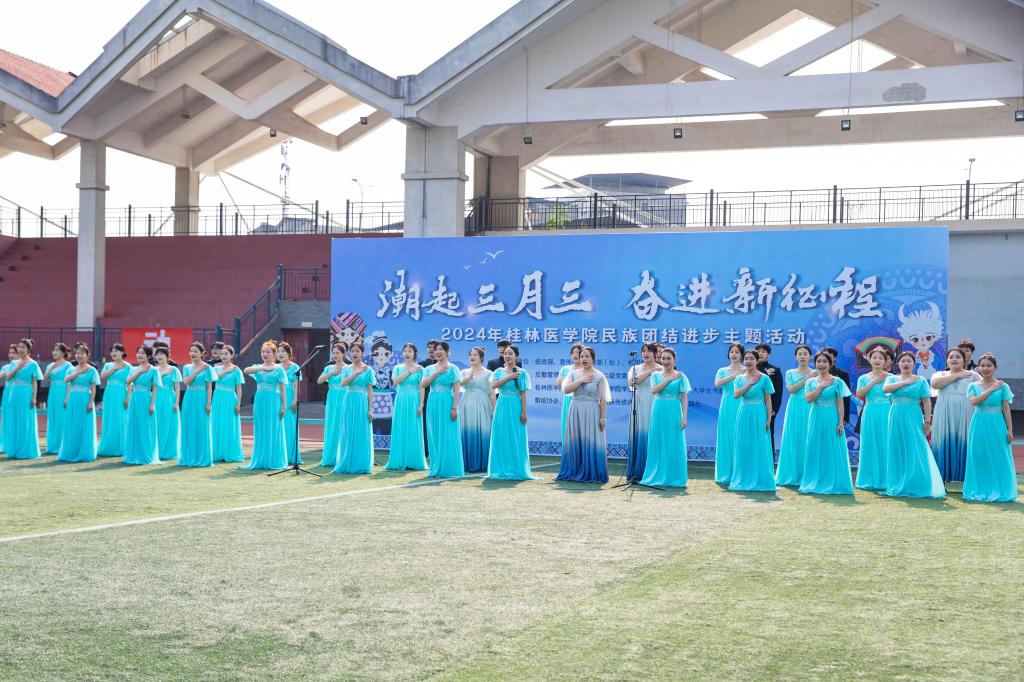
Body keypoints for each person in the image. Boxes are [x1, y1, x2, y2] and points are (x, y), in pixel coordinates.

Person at [882, 351, 945, 499]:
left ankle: (918, 483)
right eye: (903, 361)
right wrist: (905, 382)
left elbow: (926, 401)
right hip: (896, 415)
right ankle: (898, 483)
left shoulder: (920, 380)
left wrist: (928, 421)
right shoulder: (891, 378)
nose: (906, 363)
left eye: (909, 361)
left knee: (915, 447)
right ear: (898, 364)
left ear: (914, 364)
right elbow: (885, 389)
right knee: (897, 448)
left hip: (914, 416)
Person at [799, 351, 853, 495]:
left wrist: (841, 423)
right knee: (815, 447)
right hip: (816, 417)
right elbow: (809, 399)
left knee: (832, 448)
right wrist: (821, 386)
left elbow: (840, 403)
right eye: (818, 362)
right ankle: (814, 481)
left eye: (824, 362)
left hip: (832, 417)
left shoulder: (837, 381)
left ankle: (835, 481)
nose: (821, 364)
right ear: (815, 364)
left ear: (830, 364)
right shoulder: (810, 382)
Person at [964, 354, 1016, 503]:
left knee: (999, 456)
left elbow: (1006, 409)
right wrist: (991, 389)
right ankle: (980, 488)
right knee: (979, 456)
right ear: (979, 367)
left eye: (988, 365)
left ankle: (1001, 488)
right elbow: (974, 402)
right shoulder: (973, 386)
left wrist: (1010, 430)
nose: (985, 368)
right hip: (978, 423)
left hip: (997, 424)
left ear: (995, 367)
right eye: (982, 365)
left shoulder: (1003, 386)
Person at [556, 346, 610, 484]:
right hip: (575, 409)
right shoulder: (573, 374)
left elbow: (603, 399)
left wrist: (602, 417)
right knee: (575, 440)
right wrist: (581, 380)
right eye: (582, 356)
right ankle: (573, 471)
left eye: (587, 356)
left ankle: (591, 472)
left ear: (593, 359)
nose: (584, 359)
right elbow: (566, 390)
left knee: (591, 441)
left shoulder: (599, 376)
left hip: (592, 410)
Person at [640, 347, 690, 488]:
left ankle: (674, 476)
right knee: (658, 441)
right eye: (663, 358)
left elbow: (684, 398)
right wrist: (668, 379)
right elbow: (654, 390)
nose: (666, 361)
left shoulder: (681, 376)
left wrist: (684, 417)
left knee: (673, 442)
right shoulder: (656, 375)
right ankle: (657, 474)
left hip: (674, 410)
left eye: (669, 358)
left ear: (674, 360)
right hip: (659, 409)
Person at [729, 350, 777, 492]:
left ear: (756, 360)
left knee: (759, 443)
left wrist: (768, 418)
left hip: (759, 412)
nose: (748, 361)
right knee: (743, 444)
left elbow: (768, 399)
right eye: (746, 359)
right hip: (744, 412)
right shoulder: (739, 378)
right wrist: (749, 383)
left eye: (751, 359)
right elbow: (736, 395)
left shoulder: (764, 378)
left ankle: (761, 478)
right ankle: (743, 477)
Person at [930, 347, 980, 482]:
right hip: (944, 412)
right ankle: (943, 475)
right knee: (943, 439)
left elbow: (983, 388)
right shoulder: (940, 374)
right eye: (951, 357)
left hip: (966, 412)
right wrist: (957, 375)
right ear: (946, 360)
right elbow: (935, 385)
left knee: (966, 440)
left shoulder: (973, 376)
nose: (954, 359)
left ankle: (965, 476)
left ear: (964, 360)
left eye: (958, 357)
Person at [486, 345, 535, 480]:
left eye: (510, 354)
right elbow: (493, 385)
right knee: (501, 436)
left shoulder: (522, 373)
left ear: (516, 356)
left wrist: (523, 412)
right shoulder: (498, 371)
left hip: (515, 405)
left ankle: (516, 468)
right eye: (505, 353)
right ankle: (499, 468)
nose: (507, 356)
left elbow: (523, 394)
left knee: (515, 436)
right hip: (501, 404)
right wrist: (509, 377)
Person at [240, 341, 288, 471]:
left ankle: (273, 459)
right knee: (261, 428)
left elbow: (282, 389)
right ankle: (260, 459)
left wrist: (284, 406)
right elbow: (246, 370)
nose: (265, 354)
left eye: (268, 352)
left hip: (274, 400)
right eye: (263, 351)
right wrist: (261, 368)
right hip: (260, 400)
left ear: (274, 354)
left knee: (273, 428)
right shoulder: (258, 367)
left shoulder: (279, 369)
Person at [421, 341, 464, 478]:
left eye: (441, 349)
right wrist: (436, 373)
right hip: (433, 402)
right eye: (436, 349)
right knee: (434, 434)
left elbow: (456, 391)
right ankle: (436, 466)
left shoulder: (453, 369)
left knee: (448, 435)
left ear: (447, 352)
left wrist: (454, 408)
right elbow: (423, 384)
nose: (438, 352)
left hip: (447, 402)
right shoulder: (429, 369)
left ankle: (449, 468)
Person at [334, 341, 376, 474]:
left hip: (362, 401)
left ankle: (361, 463)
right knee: (347, 430)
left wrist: (370, 409)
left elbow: (370, 390)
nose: (354, 353)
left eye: (357, 351)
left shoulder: (368, 370)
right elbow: (344, 383)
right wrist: (356, 373)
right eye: (352, 351)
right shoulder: (346, 369)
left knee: (361, 431)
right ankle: (346, 461)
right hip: (349, 400)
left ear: (362, 353)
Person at [854, 346, 892, 491]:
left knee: (886, 443)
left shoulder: (891, 378)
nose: (877, 360)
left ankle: (887, 479)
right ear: (869, 360)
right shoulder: (863, 378)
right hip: (870, 412)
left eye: (880, 358)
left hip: (886, 412)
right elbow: (859, 394)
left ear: (886, 361)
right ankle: (870, 479)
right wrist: (874, 381)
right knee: (870, 444)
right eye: (874, 357)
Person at [775, 345, 814, 487]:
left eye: (805, 354)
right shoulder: (790, 372)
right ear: (795, 357)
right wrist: (807, 378)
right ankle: (791, 474)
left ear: (810, 356)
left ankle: (808, 474)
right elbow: (791, 389)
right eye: (800, 354)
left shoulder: (816, 373)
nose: (802, 356)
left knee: (809, 438)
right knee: (794, 437)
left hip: (811, 406)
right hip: (795, 407)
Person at [384, 343, 426, 471]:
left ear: (415, 354)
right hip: (401, 399)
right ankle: (399, 460)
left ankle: (414, 461)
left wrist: (421, 404)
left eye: (410, 351)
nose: (407, 353)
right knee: (400, 427)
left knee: (414, 428)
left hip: (414, 399)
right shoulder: (397, 367)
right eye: (405, 351)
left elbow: (422, 387)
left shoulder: (420, 369)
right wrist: (408, 372)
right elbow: (395, 381)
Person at [57, 344, 100, 463]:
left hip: (85, 398)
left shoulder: (92, 370)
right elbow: (66, 380)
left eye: (82, 353)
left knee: (84, 425)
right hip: (73, 399)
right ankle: (71, 451)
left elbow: (94, 388)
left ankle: (85, 452)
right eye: (77, 353)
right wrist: (79, 372)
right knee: (72, 425)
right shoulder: (71, 369)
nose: (79, 355)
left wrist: (91, 402)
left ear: (87, 356)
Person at [626, 342, 662, 481]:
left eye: (649, 351)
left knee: (653, 433)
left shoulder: (661, 369)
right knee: (639, 433)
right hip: (639, 402)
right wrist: (648, 372)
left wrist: (654, 371)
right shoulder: (636, 368)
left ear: (655, 353)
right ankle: (637, 470)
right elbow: (632, 383)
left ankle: (654, 470)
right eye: (643, 351)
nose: (645, 354)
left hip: (655, 402)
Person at [1, 338, 42, 460]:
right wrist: (17, 368)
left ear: (28, 349)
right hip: (14, 393)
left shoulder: (33, 364)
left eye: (23, 347)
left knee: (26, 421)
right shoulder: (13, 363)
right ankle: (14, 449)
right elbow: (8, 378)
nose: (20, 349)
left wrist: (34, 397)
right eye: (19, 347)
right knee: (15, 421)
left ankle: (27, 450)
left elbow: (34, 382)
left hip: (27, 393)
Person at [178, 342, 216, 468]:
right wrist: (197, 371)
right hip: (189, 398)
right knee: (189, 426)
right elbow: (186, 381)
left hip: (202, 398)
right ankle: (188, 456)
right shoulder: (187, 367)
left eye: (195, 351)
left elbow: (209, 387)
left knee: (201, 426)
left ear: (202, 353)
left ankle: (202, 457)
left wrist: (208, 403)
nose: (192, 353)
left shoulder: (208, 368)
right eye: (191, 351)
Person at [123, 346, 160, 466]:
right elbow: (128, 381)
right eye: (138, 353)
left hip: (146, 398)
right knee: (134, 425)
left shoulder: (154, 370)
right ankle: (133, 454)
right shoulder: (134, 369)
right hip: (135, 399)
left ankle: (146, 454)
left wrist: (152, 404)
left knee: (145, 426)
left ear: (148, 356)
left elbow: (155, 388)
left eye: (142, 353)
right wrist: (139, 372)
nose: (139, 355)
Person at [458, 347, 493, 473]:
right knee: (466, 431)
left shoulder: (489, 373)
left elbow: (492, 393)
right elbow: (457, 386)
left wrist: (493, 409)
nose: (472, 357)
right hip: (466, 403)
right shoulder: (464, 372)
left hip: (482, 403)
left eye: (475, 355)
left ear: (481, 358)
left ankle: (482, 463)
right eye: (471, 355)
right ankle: (466, 463)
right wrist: (467, 379)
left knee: (483, 431)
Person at [713, 343, 745, 484]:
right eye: (732, 352)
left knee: (741, 437)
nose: (734, 355)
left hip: (742, 404)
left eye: (737, 352)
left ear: (742, 355)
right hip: (727, 405)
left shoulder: (747, 370)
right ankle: (726, 472)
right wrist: (733, 376)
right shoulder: (722, 370)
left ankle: (741, 472)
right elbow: (717, 384)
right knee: (726, 437)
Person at [96, 343, 131, 457]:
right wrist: (114, 368)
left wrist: (127, 398)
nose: (113, 353)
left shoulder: (128, 367)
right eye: (112, 351)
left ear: (122, 352)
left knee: (121, 418)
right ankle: (108, 445)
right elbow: (102, 377)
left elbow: (130, 384)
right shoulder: (108, 365)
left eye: (116, 351)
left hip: (121, 393)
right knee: (109, 417)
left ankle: (122, 446)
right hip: (109, 393)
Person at [211, 345, 245, 463]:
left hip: (230, 398)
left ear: (231, 355)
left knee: (230, 424)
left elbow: (239, 388)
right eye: (222, 354)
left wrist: (238, 404)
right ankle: (217, 453)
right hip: (217, 398)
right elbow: (213, 379)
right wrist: (226, 371)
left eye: (226, 354)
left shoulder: (237, 370)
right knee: (217, 423)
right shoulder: (216, 368)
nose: (224, 356)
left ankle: (230, 452)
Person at [318, 342, 348, 468]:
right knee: (332, 425)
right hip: (332, 398)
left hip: (344, 397)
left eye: (338, 353)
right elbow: (319, 381)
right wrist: (331, 373)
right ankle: (330, 456)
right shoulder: (329, 368)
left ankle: (342, 456)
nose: (335, 355)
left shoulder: (348, 368)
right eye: (333, 353)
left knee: (343, 425)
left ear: (343, 354)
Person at [42, 343, 72, 455]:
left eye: (57, 350)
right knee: (52, 417)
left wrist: (67, 397)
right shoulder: (51, 365)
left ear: (64, 353)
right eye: (54, 350)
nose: (54, 352)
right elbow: (44, 378)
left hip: (63, 392)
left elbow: (69, 383)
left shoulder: (69, 366)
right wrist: (51, 368)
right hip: (53, 392)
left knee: (62, 418)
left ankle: (62, 445)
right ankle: (52, 445)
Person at [754, 343, 783, 455]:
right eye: (758, 351)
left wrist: (774, 409)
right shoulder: (749, 369)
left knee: (767, 434)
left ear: (768, 354)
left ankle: (769, 461)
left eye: (764, 351)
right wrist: (764, 373)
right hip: (751, 408)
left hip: (767, 408)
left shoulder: (775, 370)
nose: (760, 354)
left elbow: (778, 392)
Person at [276, 342, 302, 465]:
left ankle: (291, 455)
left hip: (290, 395)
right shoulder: (276, 367)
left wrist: (295, 400)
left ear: (289, 353)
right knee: (278, 423)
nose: (280, 354)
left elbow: (296, 386)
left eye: (283, 351)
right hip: (277, 396)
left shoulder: (295, 367)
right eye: (278, 351)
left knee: (290, 425)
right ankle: (279, 455)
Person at [154, 347, 182, 461]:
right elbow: (152, 384)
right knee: (157, 423)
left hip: (169, 397)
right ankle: (157, 451)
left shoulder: (174, 369)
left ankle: (169, 451)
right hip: (156, 397)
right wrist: (162, 374)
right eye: (157, 354)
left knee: (169, 424)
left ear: (167, 356)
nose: (159, 356)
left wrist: (177, 402)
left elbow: (177, 387)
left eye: (162, 354)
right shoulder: (154, 369)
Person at [555, 343, 584, 441]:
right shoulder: (565, 369)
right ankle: (568, 450)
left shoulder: (586, 370)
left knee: (580, 428)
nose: (575, 355)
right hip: (568, 400)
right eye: (573, 353)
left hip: (581, 400)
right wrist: (571, 377)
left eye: (578, 352)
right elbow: (558, 383)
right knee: (567, 427)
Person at [821, 347, 852, 427]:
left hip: (836, 412)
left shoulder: (842, 374)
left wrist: (845, 417)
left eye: (829, 356)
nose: (826, 358)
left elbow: (846, 397)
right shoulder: (815, 375)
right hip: (818, 412)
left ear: (834, 358)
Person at [420, 338, 440, 458]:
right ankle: (425, 450)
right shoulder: (422, 365)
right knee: (424, 425)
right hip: (424, 398)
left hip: (439, 398)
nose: (431, 350)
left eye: (434, 347)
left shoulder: (443, 365)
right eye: (429, 347)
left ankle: (437, 449)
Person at [0, 344, 17, 455]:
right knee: (6, 417)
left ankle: (16, 441)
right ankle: (5, 442)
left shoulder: (23, 365)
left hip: (18, 393)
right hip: (7, 393)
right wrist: (7, 372)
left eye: (14, 353)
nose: (11, 355)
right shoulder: (6, 367)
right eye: (10, 352)